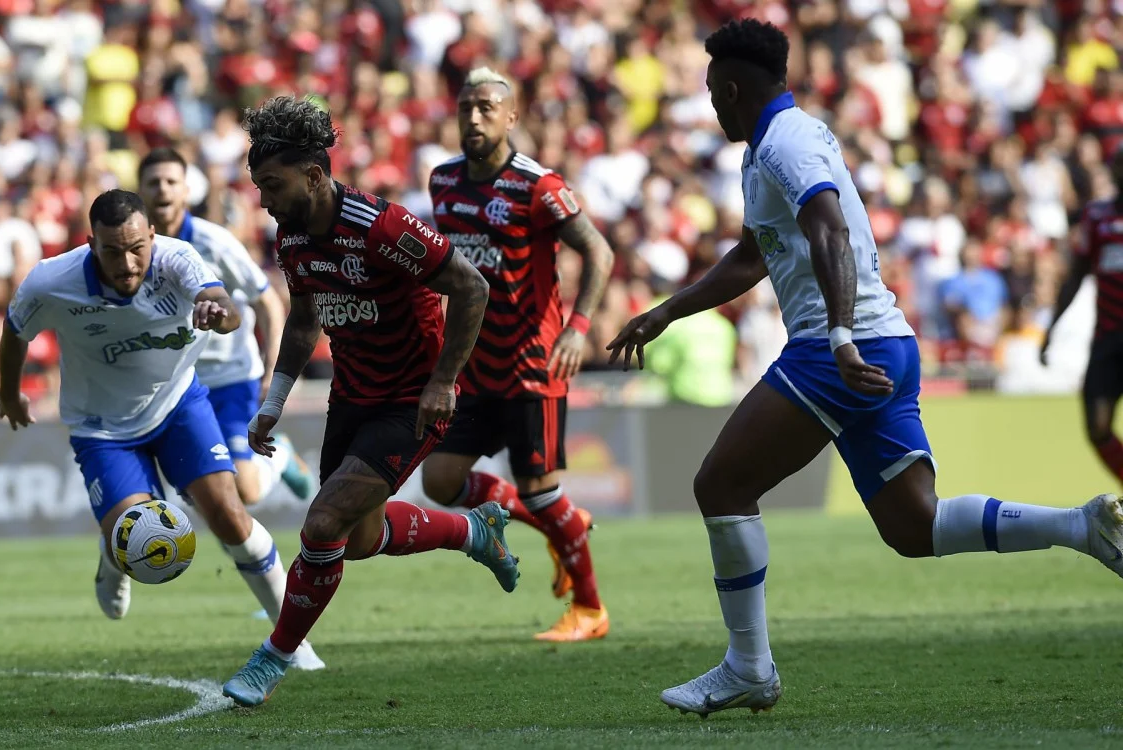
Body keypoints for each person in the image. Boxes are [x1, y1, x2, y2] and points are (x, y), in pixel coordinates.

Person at [607, 19, 1123, 718]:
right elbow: (755, 255)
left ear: (731, 88)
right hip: (882, 345)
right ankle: (1079, 527)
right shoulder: (775, 144)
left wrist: (842, 338)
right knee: (915, 527)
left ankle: (749, 668)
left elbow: (829, 227)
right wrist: (668, 311)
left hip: (837, 350)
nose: (711, 106)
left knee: (721, 483)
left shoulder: (786, 143)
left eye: (712, 92)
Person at [221, 96, 519, 707]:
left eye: (271, 185)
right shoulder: (294, 237)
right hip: (352, 398)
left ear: (313, 175)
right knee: (355, 539)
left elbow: (471, 286)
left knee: (322, 523)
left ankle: (273, 658)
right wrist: (273, 402)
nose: (264, 200)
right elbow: (304, 323)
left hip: (411, 402)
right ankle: (472, 531)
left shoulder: (382, 228)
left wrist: (443, 382)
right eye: (258, 187)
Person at [0, 189, 324, 670]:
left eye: (136, 248)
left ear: (152, 235)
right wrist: (8, 393)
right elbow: (14, 329)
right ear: (92, 245)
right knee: (134, 537)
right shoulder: (51, 282)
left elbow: (225, 306)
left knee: (232, 517)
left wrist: (218, 312)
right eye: (112, 251)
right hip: (102, 429)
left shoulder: (179, 259)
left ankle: (293, 645)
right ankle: (114, 556)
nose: (127, 263)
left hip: (178, 406)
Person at [422, 68, 616, 642]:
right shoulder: (442, 182)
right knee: (440, 479)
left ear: (511, 116)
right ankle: (563, 525)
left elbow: (598, 253)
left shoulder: (539, 185)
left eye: (486, 108)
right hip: (473, 367)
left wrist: (579, 328)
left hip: (532, 365)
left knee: (539, 489)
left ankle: (590, 609)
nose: (474, 118)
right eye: (465, 108)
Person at [137, 147, 315, 507]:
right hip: (179, 383)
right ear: (139, 191)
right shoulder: (134, 250)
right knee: (198, 490)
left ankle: (279, 456)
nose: (163, 190)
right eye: (153, 183)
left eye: (172, 181)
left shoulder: (214, 242)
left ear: (187, 190)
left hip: (232, 378)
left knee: (246, 491)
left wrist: (273, 368)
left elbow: (266, 300)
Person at [1042, 145, 1123, 486]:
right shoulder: (1096, 216)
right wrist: (1052, 328)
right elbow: (1076, 274)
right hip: (1108, 337)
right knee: (1097, 426)